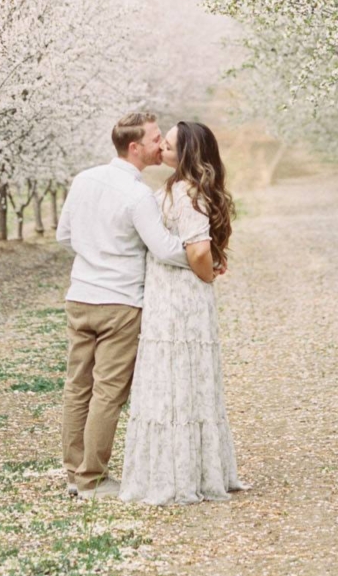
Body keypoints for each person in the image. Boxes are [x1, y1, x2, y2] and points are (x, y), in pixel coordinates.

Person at [55, 111, 209, 500]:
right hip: (120, 302)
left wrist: (95, 254)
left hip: (80, 296)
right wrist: (202, 256)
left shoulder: (84, 179)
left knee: (77, 387)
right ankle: (92, 479)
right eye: (156, 138)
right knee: (107, 392)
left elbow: (65, 236)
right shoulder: (137, 194)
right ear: (135, 146)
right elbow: (163, 248)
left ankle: (74, 474)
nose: (161, 145)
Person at [119, 120, 245, 505]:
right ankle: (177, 469)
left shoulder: (188, 193)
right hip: (169, 296)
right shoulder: (178, 188)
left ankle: (179, 473)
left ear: (187, 153)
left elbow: (199, 251)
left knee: (177, 379)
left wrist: (206, 275)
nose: (162, 148)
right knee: (173, 380)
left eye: (169, 144)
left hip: (180, 300)